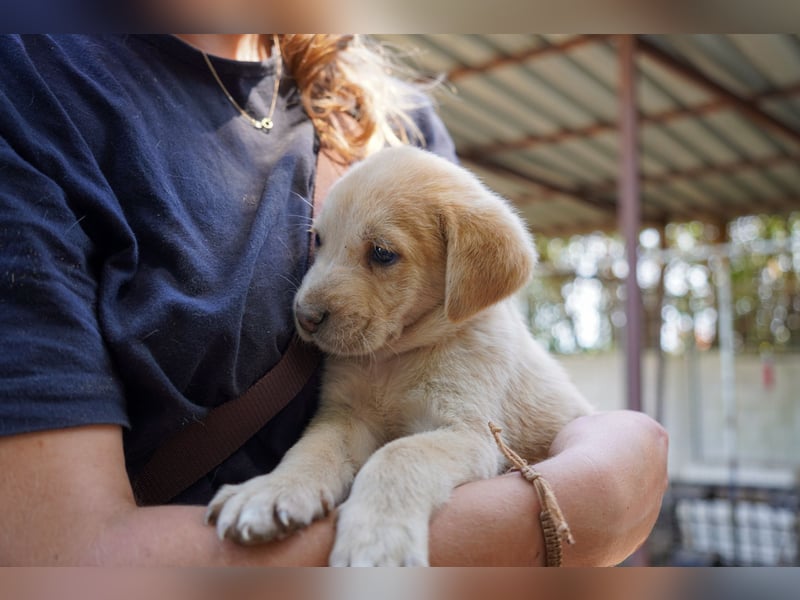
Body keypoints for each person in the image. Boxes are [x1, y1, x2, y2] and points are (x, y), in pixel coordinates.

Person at [0, 33, 668, 566]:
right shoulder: (33, 84)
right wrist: (577, 506)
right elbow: (51, 560)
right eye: (317, 245)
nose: (311, 300)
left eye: (381, 256)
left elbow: (465, 439)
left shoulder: (387, 116)